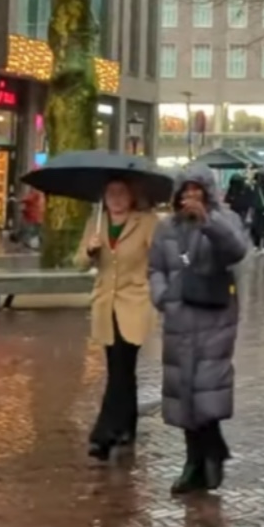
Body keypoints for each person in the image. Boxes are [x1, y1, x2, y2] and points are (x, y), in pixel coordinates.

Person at [148, 165, 249, 493]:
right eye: (185, 190)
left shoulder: (225, 219)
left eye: (197, 189)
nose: (190, 196)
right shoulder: (166, 229)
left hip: (214, 317)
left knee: (207, 386)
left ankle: (212, 455)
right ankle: (194, 460)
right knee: (184, 389)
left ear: (206, 192)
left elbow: (236, 250)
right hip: (179, 317)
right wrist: (163, 296)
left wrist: (208, 221)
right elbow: (155, 267)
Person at [76, 177, 155, 461]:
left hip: (134, 302)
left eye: (122, 193)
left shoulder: (145, 222)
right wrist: (90, 251)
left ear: (132, 196)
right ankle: (127, 427)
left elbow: (159, 257)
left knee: (122, 366)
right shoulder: (96, 223)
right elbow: (79, 264)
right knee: (119, 368)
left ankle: (103, 434)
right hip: (105, 304)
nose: (117, 199)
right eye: (111, 193)